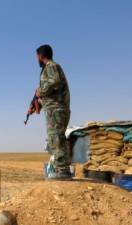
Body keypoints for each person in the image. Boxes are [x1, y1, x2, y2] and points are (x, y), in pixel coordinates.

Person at [35, 44, 72, 180]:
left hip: (57, 110)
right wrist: (37, 104)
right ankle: (60, 169)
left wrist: (40, 92)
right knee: (56, 139)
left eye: (37, 57)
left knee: (56, 139)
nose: (36, 60)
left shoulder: (51, 66)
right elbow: (51, 91)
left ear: (40, 56)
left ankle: (63, 171)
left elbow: (54, 82)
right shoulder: (50, 68)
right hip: (55, 109)